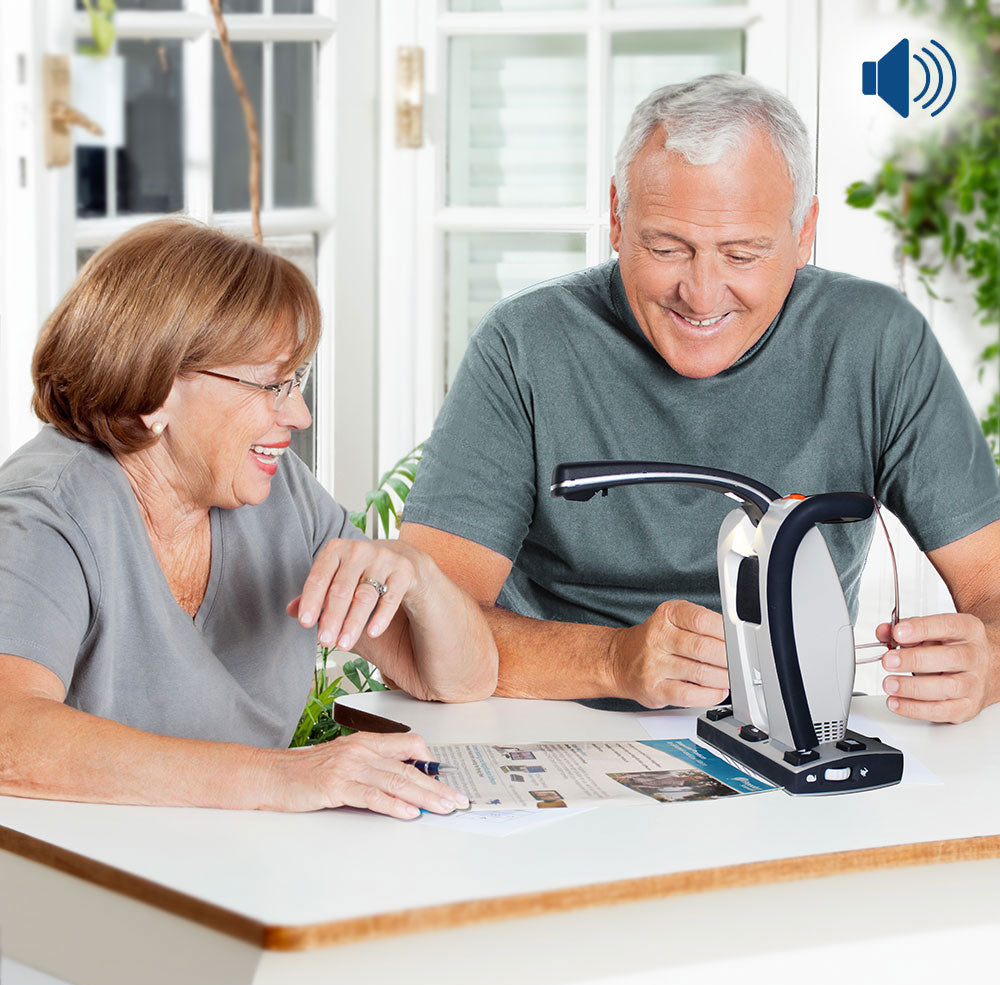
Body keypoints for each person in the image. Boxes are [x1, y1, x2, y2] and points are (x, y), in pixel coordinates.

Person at [400, 73, 1000, 725]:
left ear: (805, 233)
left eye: (742, 255)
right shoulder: (524, 345)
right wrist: (614, 661)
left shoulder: (878, 341)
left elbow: (991, 581)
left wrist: (989, 662)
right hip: (559, 733)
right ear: (615, 219)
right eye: (668, 248)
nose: (703, 293)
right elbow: (422, 624)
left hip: (795, 735)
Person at [0, 219, 497, 820]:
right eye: (271, 385)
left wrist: (418, 576)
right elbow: (9, 737)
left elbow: (456, 680)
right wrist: (280, 778)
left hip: (240, 866)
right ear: (155, 390)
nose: (301, 415)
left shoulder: (277, 493)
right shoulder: (45, 512)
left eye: (298, 381)